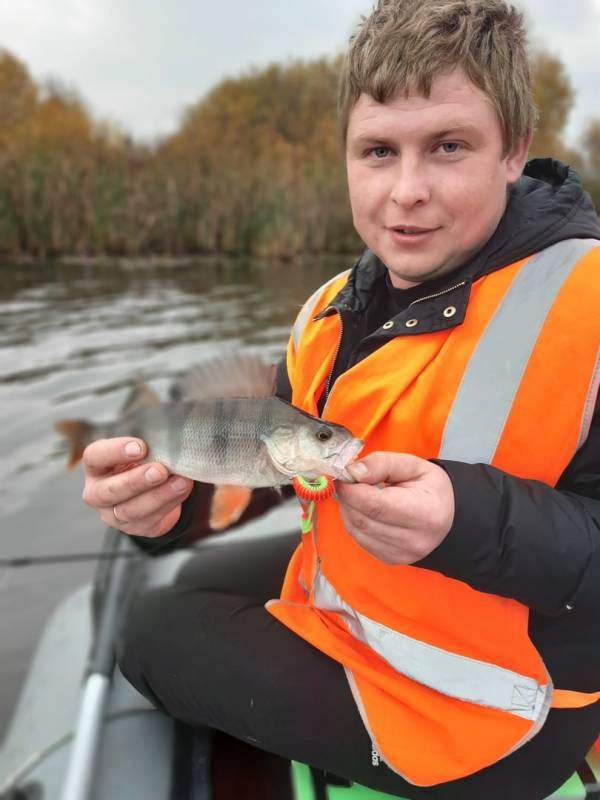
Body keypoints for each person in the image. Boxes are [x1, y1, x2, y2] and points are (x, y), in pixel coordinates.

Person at [80, 1, 600, 797]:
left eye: (449, 146)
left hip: (501, 707)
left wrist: (464, 518)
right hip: (363, 599)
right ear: (345, 157)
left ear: (515, 151)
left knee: (148, 633)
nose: (406, 193)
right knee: (181, 580)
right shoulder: (329, 310)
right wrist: (164, 508)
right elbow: (280, 476)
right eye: (378, 151)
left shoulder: (588, 304)